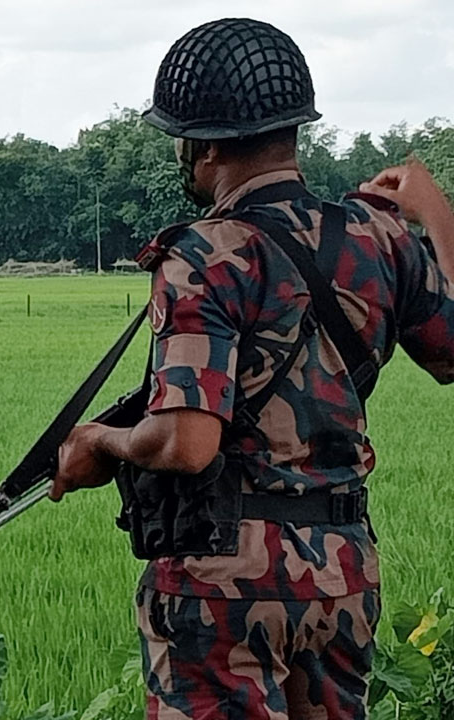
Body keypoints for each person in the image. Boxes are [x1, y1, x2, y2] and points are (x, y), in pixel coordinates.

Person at [48, 17, 454, 720]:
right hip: (341, 576)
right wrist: (438, 214)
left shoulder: (205, 254)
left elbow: (186, 441)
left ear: (204, 145)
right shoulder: (377, 236)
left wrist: (100, 441)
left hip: (223, 586)